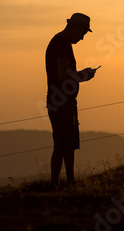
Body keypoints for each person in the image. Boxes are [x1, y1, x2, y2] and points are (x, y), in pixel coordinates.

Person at [45, 13, 97, 186]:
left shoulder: (60, 43)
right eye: (82, 33)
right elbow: (62, 74)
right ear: (74, 28)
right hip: (61, 102)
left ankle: (69, 180)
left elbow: (64, 72)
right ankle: (56, 183)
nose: (82, 38)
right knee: (62, 144)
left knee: (68, 143)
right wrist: (83, 75)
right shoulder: (62, 44)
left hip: (63, 101)